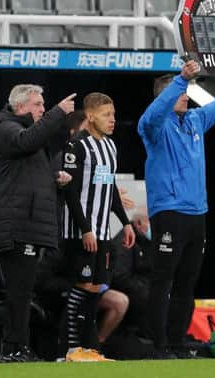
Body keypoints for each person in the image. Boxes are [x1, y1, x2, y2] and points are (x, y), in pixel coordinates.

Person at [138, 47, 215, 357]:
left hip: (197, 213)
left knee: (187, 282)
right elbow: (155, 113)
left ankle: (178, 342)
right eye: (178, 92)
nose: (184, 96)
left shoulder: (195, 120)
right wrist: (181, 80)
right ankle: (158, 344)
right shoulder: (153, 128)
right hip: (168, 211)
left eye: (184, 91)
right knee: (163, 279)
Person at [0, 84, 76, 362]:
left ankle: (16, 347)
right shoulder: (7, 129)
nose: (42, 109)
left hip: (25, 224)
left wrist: (54, 181)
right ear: (21, 106)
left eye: (44, 104)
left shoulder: (25, 135)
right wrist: (59, 113)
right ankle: (13, 349)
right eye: (38, 104)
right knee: (18, 292)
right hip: (15, 226)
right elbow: (27, 140)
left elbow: (27, 179)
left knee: (23, 292)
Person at [60, 93, 135, 362]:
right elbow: (70, 192)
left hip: (102, 230)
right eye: (106, 115)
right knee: (82, 285)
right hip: (80, 231)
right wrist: (85, 229)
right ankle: (69, 349)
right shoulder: (77, 146)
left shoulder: (110, 148)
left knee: (94, 288)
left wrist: (125, 222)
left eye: (113, 115)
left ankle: (89, 348)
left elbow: (108, 190)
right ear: (90, 116)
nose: (112, 120)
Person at [34, 248, 129, 358]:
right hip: (60, 294)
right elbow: (42, 280)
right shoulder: (63, 246)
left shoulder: (106, 246)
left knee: (119, 301)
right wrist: (75, 286)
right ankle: (67, 351)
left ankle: (95, 347)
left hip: (92, 291)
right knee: (80, 299)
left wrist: (99, 286)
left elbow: (109, 271)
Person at [110, 210, 153, 334]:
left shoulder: (147, 241)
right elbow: (120, 277)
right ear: (139, 223)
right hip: (127, 291)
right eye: (152, 222)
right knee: (149, 298)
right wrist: (148, 288)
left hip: (143, 287)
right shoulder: (125, 240)